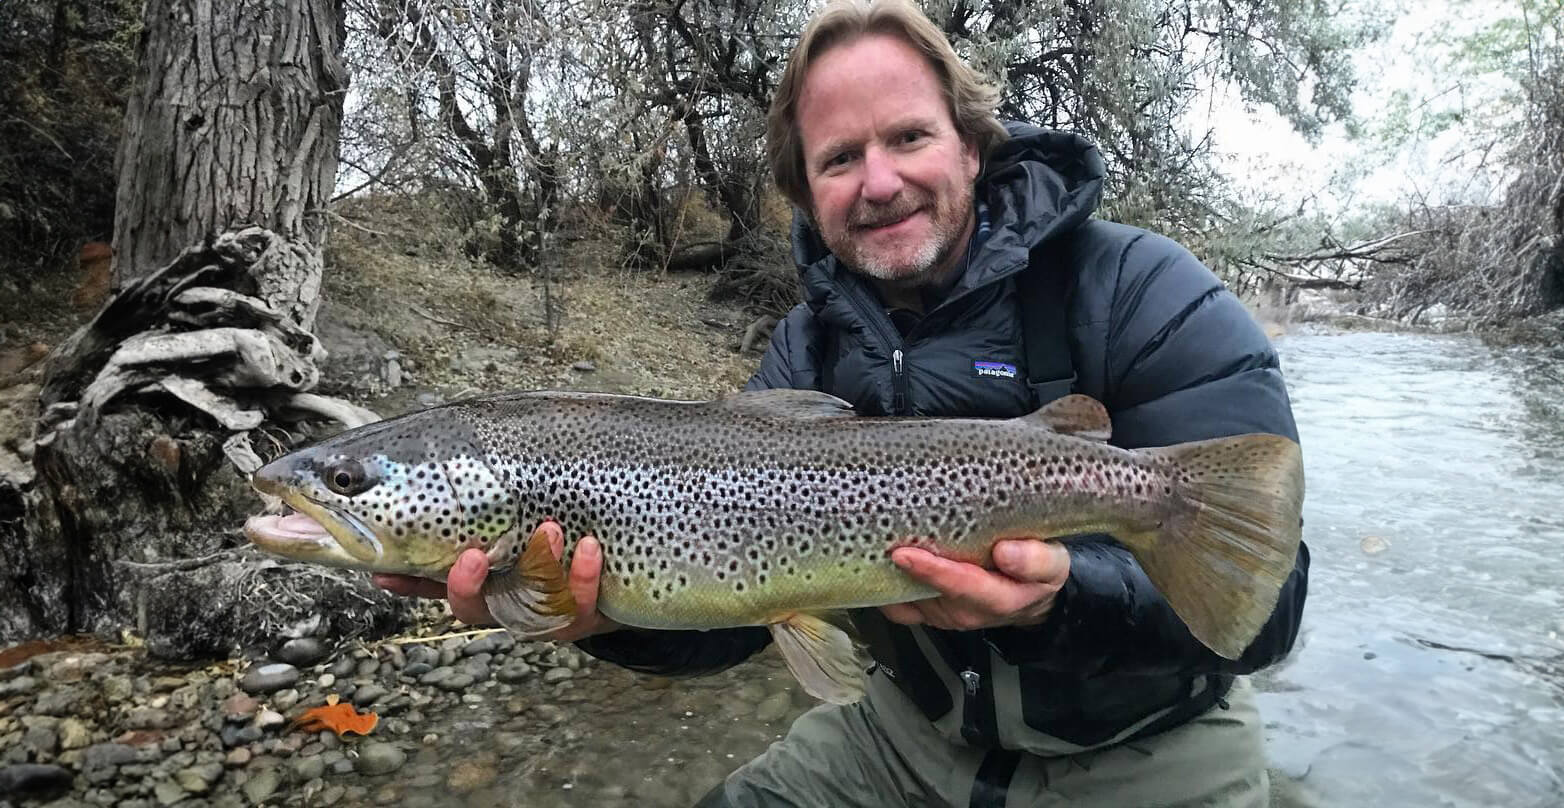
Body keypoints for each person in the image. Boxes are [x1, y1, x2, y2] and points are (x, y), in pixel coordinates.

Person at [375, 0, 1310, 805]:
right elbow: (740, 610)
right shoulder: (803, 351)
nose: (879, 180)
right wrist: (605, 620)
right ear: (805, 191)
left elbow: (1263, 615)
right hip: (911, 735)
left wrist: (1059, 602)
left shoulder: (1141, 290)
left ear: (972, 147)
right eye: (839, 158)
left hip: (1149, 749)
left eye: (908, 137)